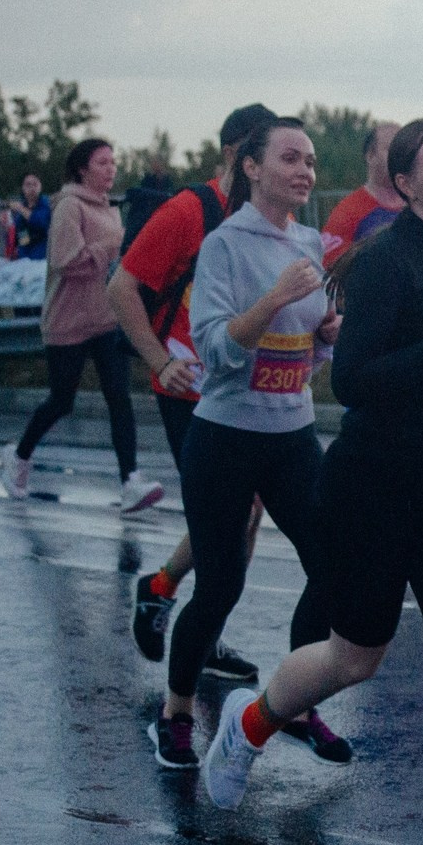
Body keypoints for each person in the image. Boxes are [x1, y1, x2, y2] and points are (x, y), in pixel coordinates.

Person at [195, 119, 423, 845]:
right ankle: (249, 723)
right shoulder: (385, 260)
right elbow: (354, 381)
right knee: (356, 656)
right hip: (373, 481)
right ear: (405, 181)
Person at [149, 115, 342, 772]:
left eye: (311, 160)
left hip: (291, 437)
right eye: (290, 157)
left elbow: (302, 362)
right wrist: (272, 299)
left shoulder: (312, 242)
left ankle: (295, 701)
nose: (305, 171)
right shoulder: (225, 245)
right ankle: (174, 711)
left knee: (333, 567)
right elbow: (216, 355)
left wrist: (326, 338)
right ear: (251, 167)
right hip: (225, 437)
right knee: (221, 584)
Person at [112, 103, 283, 709]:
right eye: (274, 155)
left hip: (248, 388)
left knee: (245, 514)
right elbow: (122, 287)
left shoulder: (269, 219)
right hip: (191, 390)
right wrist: (160, 362)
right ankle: (185, 635)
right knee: (227, 518)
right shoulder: (193, 209)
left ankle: (166, 593)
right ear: (242, 156)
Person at [2, 137, 163, 513]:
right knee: (62, 401)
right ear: (82, 169)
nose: (111, 169)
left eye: (113, 162)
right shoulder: (69, 207)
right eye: (103, 163)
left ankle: (130, 482)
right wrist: (112, 246)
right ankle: (20, 456)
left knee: (119, 400)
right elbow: (66, 261)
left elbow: (117, 259)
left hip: (107, 319)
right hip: (68, 320)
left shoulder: (109, 208)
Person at [319, 120, 404, 271]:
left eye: (404, 149)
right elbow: (330, 271)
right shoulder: (348, 212)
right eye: (392, 149)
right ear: (370, 155)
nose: (401, 156)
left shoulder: (421, 205)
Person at [6, 171, 51, 260]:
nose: (32, 188)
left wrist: (20, 208)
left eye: (35, 184)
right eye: (28, 184)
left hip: (43, 256)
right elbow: (22, 235)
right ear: (23, 188)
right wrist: (7, 226)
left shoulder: (46, 203)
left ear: (40, 186)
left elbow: (41, 223)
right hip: (25, 256)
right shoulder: (22, 207)